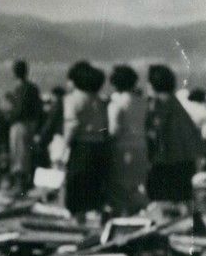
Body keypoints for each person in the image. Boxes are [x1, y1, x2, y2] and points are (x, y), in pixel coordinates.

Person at [145, 63, 204, 211]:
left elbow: (157, 131)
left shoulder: (157, 103)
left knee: (161, 197)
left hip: (166, 158)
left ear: (152, 84)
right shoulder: (176, 102)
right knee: (183, 197)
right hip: (184, 157)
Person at [61, 61, 109, 221]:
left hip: (80, 146)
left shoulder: (72, 99)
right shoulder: (99, 100)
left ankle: (77, 220)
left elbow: (71, 125)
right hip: (99, 146)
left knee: (76, 186)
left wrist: (64, 148)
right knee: (93, 186)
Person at [106, 64, 148, 215]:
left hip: (123, 149)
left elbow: (113, 130)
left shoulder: (116, 104)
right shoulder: (142, 102)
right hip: (142, 147)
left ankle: (123, 217)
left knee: (121, 188)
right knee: (136, 186)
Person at [5, 60, 43, 193]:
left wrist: (9, 117)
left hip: (20, 125)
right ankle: (25, 184)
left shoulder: (21, 89)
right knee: (26, 155)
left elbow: (19, 110)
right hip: (31, 125)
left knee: (19, 155)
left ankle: (20, 186)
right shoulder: (33, 88)